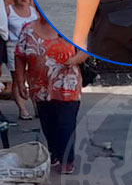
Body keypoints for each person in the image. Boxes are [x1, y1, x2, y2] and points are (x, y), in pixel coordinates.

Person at [14, 14, 87, 174]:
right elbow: (19, 56)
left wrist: (74, 60)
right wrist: (20, 81)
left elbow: (86, 51)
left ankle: (67, 160)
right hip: (39, 86)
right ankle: (54, 154)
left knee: (65, 124)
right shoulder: (28, 30)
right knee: (48, 123)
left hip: (67, 85)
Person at [7, 0, 39, 120]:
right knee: (18, 79)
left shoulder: (33, 11)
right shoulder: (9, 10)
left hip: (32, 47)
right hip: (13, 46)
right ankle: (22, 109)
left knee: (34, 78)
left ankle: (37, 107)